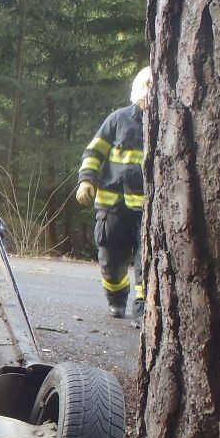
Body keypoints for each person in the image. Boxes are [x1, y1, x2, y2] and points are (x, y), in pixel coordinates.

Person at [76, 66, 151, 326]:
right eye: (146, 92)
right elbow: (94, 152)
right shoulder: (118, 119)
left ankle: (143, 310)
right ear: (137, 93)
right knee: (111, 258)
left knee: (149, 260)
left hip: (148, 209)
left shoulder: (169, 122)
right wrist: (86, 181)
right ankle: (117, 298)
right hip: (112, 205)